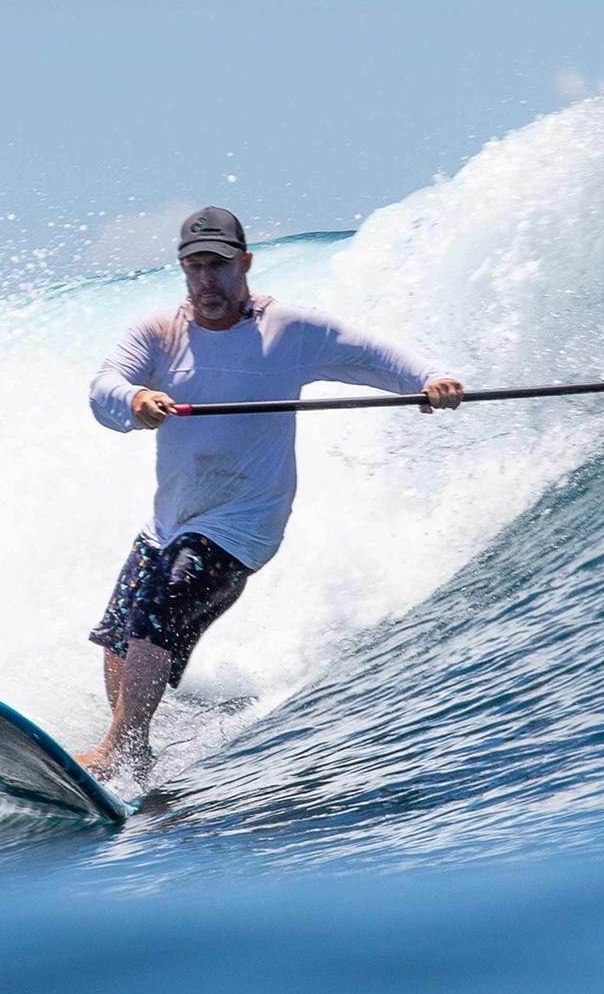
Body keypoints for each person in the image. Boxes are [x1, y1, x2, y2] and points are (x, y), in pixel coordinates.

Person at [77, 205, 462, 776]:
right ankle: (132, 752)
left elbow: (371, 353)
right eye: (194, 267)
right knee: (119, 630)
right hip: (171, 519)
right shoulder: (158, 333)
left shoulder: (288, 331)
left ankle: (121, 749)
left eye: (218, 265)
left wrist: (431, 379)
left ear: (245, 263)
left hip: (243, 523)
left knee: (161, 605)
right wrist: (134, 400)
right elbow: (103, 386)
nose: (206, 280)